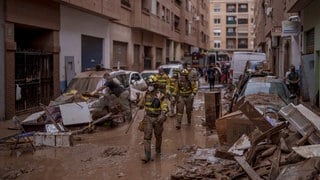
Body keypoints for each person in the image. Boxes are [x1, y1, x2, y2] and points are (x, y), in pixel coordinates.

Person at [138, 75, 168, 163]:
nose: (150, 86)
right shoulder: (145, 94)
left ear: (155, 85)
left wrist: (163, 114)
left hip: (158, 118)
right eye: (149, 84)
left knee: (158, 136)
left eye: (151, 84)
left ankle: (158, 151)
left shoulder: (160, 95)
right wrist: (139, 104)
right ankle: (147, 156)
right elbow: (141, 105)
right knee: (147, 137)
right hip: (148, 118)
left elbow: (165, 106)